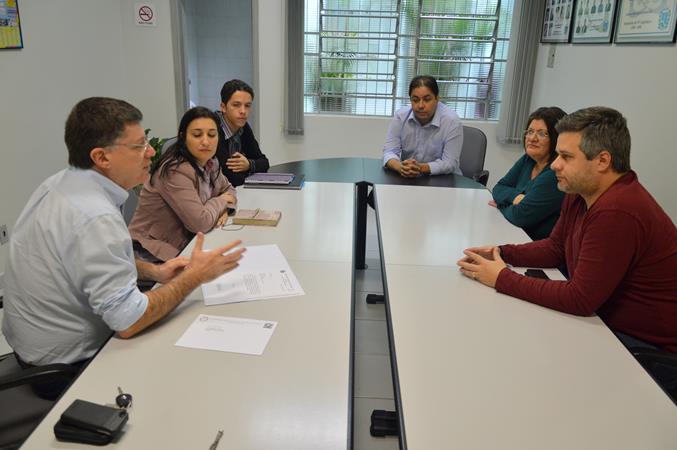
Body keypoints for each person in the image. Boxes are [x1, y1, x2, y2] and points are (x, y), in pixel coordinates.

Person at [1, 97, 245, 399]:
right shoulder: (95, 216)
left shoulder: (61, 184)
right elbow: (129, 321)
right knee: (199, 370)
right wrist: (194, 276)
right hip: (65, 368)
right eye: (140, 145)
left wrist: (154, 270)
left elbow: (84, 261)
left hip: (30, 346)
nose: (152, 151)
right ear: (102, 157)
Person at [457, 106, 677, 354]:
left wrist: (500, 277)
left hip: (648, 348)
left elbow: (580, 298)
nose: (555, 165)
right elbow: (555, 248)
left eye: (566, 156)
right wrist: (501, 253)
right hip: (604, 321)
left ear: (602, 161)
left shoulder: (618, 210)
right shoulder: (580, 191)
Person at [128, 107, 237, 262]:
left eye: (212, 135)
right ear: (183, 137)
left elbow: (229, 189)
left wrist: (225, 209)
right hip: (152, 251)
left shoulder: (210, 162)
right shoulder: (175, 170)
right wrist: (222, 201)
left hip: (187, 242)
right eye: (197, 135)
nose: (206, 141)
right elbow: (200, 223)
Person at [490, 107, 566, 240]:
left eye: (542, 133)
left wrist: (501, 205)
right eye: (530, 132)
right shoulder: (528, 159)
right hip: (513, 232)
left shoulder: (556, 172)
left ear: (556, 138)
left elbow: (520, 216)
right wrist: (515, 197)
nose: (532, 138)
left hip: (535, 244)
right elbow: (498, 188)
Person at [383, 75, 464, 177]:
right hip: (408, 177)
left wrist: (419, 168)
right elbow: (389, 151)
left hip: (444, 181)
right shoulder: (401, 117)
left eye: (427, 99)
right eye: (415, 100)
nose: (420, 105)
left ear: (437, 99)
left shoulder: (452, 121)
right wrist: (400, 167)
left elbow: (449, 163)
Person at [215, 79, 269, 186]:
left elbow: (264, 162)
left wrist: (248, 164)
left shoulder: (242, 126)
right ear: (223, 107)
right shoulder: (212, 129)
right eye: (236, 105)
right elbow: (229, 176)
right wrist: (251, 169)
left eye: (247, 105)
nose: (243, 111)